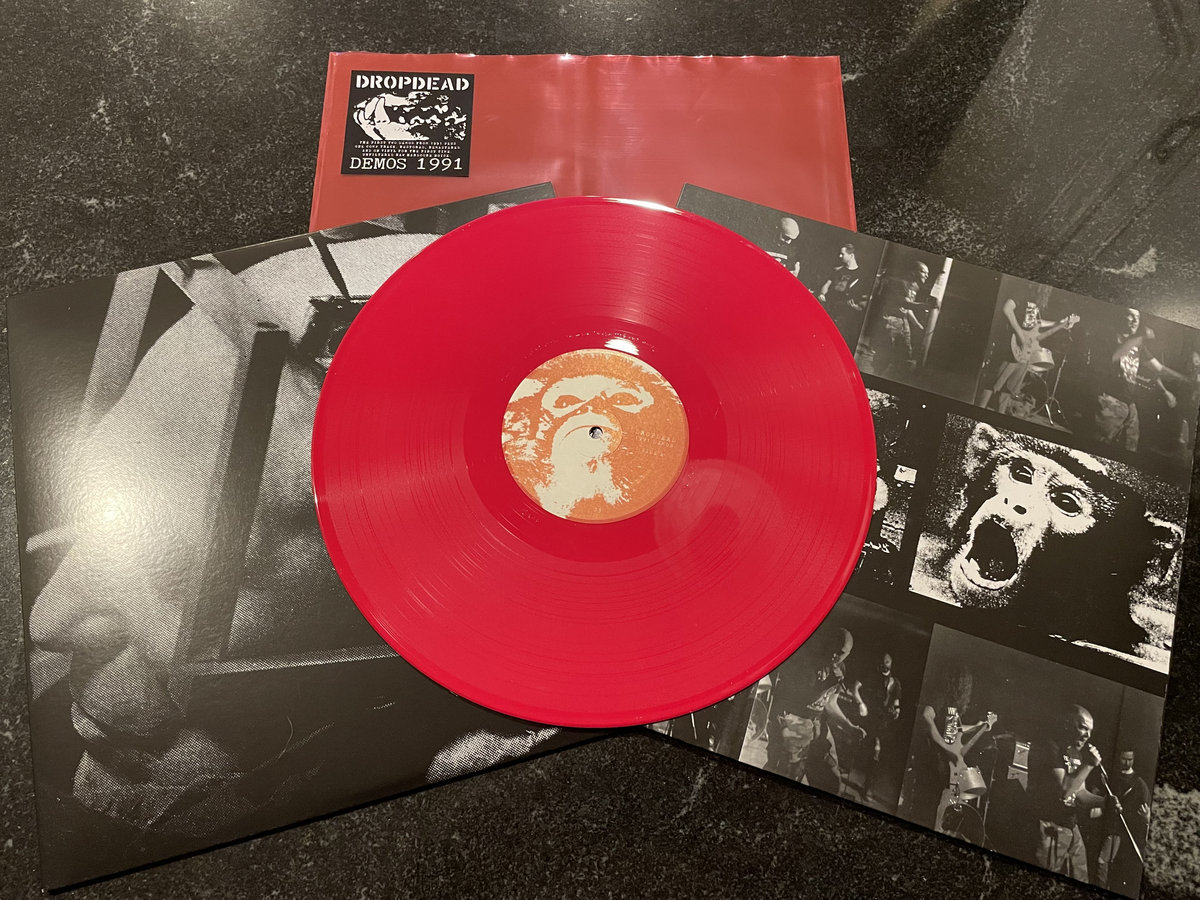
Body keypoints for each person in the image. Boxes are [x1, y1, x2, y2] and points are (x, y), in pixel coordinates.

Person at [764, 627, 866, 793]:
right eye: (833, 648)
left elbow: (829, 703)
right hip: (793, 721)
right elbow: (802, 698)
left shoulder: (840, 668)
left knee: (831, 781)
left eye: (841, 653)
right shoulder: (808, 659)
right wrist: (829, 680)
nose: (835, 654)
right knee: (787, 775)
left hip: (817, 723)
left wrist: (849, 727)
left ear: (848, 653)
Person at [1027, 705, 1115, 882]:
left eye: (1090, 731)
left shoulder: (1076, 752)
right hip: (1049, 826)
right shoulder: (1049, 747)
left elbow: (1079, 794)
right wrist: (1089, 765)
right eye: (1082, 727)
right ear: (1067, 723)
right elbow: (1064, 791)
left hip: (1071, 827)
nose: (1087, 735)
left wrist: (1105, 802)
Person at [907, 664, 993, 831]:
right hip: (933, 762)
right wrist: (946, 749)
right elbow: (926, 716)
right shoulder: (940, 698)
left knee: (944, 806)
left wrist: (979, 726)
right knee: (927, 808)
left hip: (945, 766)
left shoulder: (953, 707)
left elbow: (955, 731)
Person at [1088, 307, 1184, 451]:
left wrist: (1184, 379)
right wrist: (1140, 338)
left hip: (1129, 404)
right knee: (1099, 444)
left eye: (1137, 317)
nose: (1134, 321)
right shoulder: (1108, 336)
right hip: (1109, 399)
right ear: (1121, 316)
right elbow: (1115, 356)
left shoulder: (1139, 346)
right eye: (1130, 315)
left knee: (1130, 447)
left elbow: (1159, 369)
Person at [977, 296, 1078, 416]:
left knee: (1010, 388)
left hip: (1026, 351)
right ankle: (978, 412)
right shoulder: (1024, 291)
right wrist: (1020, 334)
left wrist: (1060, 323)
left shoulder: (1039, 300)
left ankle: (1000, 415)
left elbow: (1037, 322)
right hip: (1015, 346)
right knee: (994, 382)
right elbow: (1007, 308)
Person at [1094, 749, 1150, 893]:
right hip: (1108, 826)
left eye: (1130, 759)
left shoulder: (1139, 783)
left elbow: (1144, 812)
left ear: (1134, 759)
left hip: (1124, 831)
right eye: (1124, 759)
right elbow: (1101, 798)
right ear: (1119, 758)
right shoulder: (1112, 778)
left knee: (1106, 863)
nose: (1126, 762)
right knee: (1102, 863)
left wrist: (1145, 817)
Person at [861, 261, 930, 378]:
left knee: (905, 354)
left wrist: (917, 324)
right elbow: (904, 303)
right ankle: (874, 377)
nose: (926, 275)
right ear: (913, 272)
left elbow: (907, 308)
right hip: (891, 321)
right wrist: (923, 306)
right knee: (885, 354)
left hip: (903, 322)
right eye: (924, 272)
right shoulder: (900, 283)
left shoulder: (915, 287)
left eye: (927, 273)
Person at [858, 652, 902, 801]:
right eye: (883, 662)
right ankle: (867, 786)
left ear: (891, 663)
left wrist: (896, 711)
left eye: (887, 662)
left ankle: (869, 785)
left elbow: (896, 701)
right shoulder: (874, 677)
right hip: (872, 717)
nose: (885, 665)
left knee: (879, 753)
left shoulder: (895, 682)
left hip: (885, 722)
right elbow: (863, 690)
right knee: (875, 748)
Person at [817, 243, 865, 337]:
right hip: (829, 306)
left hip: (844, 312)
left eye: (842, 254)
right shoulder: (837, 270)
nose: (840, 256)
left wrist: (858, 307)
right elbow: (827, 284)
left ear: (851, 256)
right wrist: (822, 294)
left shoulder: (861, 275)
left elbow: (863, 297)